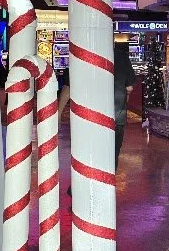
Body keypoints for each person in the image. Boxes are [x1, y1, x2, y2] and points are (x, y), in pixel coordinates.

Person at [58, 41, 136, 174]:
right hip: (116, 118)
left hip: (89, 118)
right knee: (111, 159)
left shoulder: (82, 56)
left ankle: (83, 188)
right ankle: (106, 188)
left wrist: (58, 114)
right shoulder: (122, 57)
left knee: (88, 157)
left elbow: (68, 88)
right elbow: (129, 88)